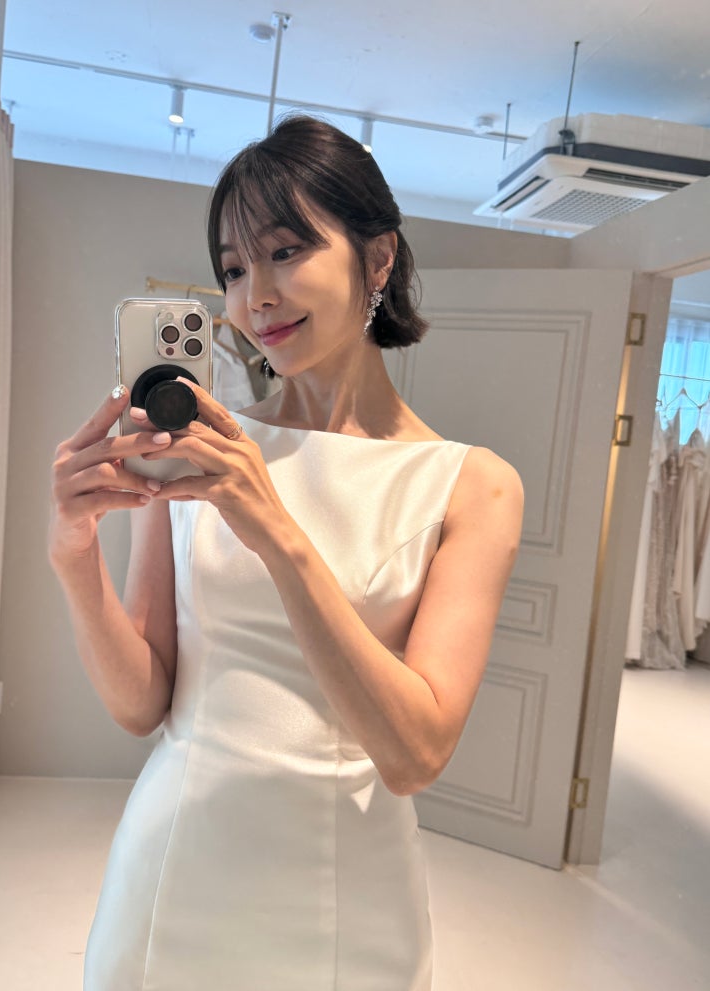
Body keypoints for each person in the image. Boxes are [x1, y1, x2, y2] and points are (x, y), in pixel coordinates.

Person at [49, 115, 524, 991]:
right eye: (233, 268)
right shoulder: (197, 446)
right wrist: (74, 554)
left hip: (347, 897)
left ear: (377, 259)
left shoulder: (471, 485)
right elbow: (141, 703)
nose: (253, 297)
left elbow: (415, 754)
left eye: (284, 251)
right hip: (177, 869)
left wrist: (276, 532)